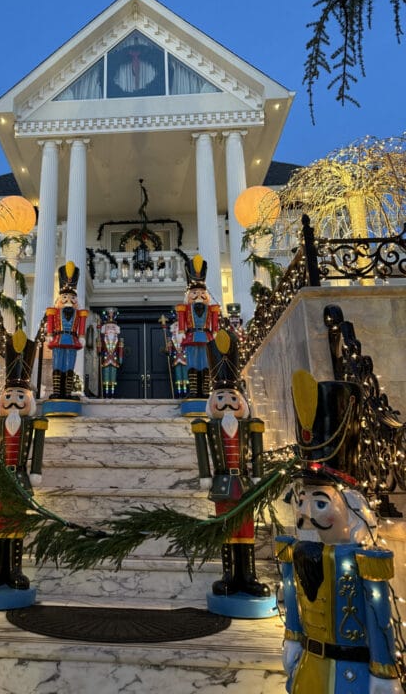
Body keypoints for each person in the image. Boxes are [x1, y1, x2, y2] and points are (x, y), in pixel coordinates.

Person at [277, 370, 402, 693]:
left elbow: (378, 613)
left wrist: (384, 671)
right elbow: (291, 596)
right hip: (308, 665)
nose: (305, 512)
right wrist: (292, 637)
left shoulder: (364, 560)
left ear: (352, 507)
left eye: (319, 504)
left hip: (351, 673)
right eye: (302, 500)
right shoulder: (295, 550)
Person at [192, 328, 270, 599]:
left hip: (244, 481)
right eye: (221, 398)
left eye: (233, 398)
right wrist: (205, 475)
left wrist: (258, 474)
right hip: (222, 482)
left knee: (246, 526)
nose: (227, 403)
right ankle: (228, 574)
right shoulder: (207, 427)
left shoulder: (250, 427)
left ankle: (247, 574)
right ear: (212, 402)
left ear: (243, 402)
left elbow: (257, 452)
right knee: (225, 524)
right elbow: (204, 452)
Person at [0, 329, 47, 594]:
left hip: (19, 478)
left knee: (16, 522)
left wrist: (35, 471)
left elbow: (37, 448)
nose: (13, 400)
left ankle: (14, 569)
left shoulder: (33, 424)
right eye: (9, 395)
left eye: (19, 396)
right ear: (0, 399)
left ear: (29, 400)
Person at [175, 255, 220, 399]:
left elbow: (215, 322)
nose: (198, 295)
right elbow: (182, 320)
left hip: (206, 337)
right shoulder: (185, 308)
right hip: (191, 337)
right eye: (194, 293)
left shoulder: (211, 308)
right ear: (188, 294)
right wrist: (181, 331)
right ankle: (194, 390)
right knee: (192, 364)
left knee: (206, 364)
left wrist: (215, 332)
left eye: (201, 293)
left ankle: (206, 390)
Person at [45, 262, 89, 399]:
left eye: (71, 297)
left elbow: (81, 325)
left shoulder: (80, 313)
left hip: (72, 340)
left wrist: (82, 336)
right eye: (65, 296)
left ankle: (67, 393)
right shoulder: (54, 311)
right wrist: (49, 334)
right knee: (57, 365)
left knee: (69, 366)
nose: (68, 299)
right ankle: (57, 391)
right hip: (58, 339)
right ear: (60, 298)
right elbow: (50, 323)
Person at [97, 308, 124, 398]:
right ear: (105, 330)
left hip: (114, 359)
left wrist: (120, 359)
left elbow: (120, 350)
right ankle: (106, 393)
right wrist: (99, 346)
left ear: (116, 330)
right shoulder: (103, 339)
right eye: (108, 327)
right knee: (106, 376)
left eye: (112, 327)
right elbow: (99, 350)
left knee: (113, 377)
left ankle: (112, 394)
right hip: (105, 359)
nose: (110, 329)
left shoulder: (118, 340)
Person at [166, 317, 189, 398]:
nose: (176, 326)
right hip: (176, 358)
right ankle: (179, 393)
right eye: (175, 324)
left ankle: (186, 392)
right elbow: (170, 350)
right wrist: (168, 350)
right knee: (178, 377)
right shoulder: (171, 338)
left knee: (185, 377)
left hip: (185, 358)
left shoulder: (186, 337)